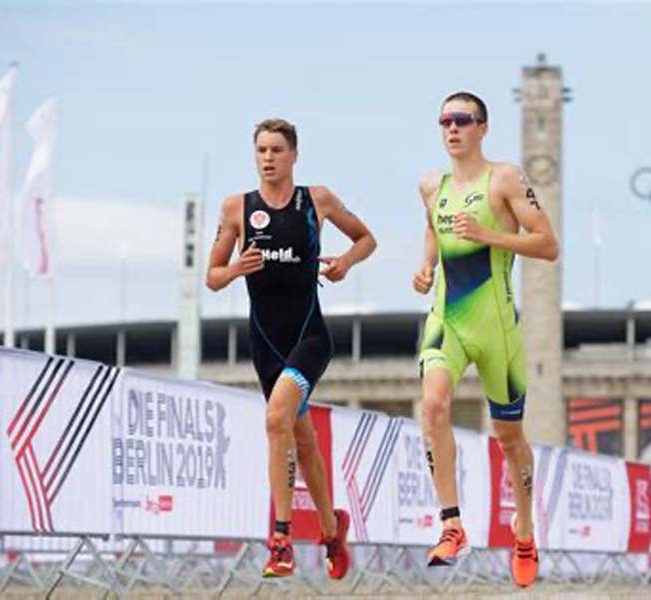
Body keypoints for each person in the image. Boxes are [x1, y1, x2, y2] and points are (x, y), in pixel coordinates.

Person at [206, 118, 376, 579]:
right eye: (261, 150)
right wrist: (237, 267)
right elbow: (213, 277)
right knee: (301, 440)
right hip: (264, 342)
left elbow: (366, 238)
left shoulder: (315, 200)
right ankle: (330, 529)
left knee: (277, 417)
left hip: (309, 337)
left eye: (277, 150)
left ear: (294, 155)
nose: (268, 157)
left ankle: (280, 539)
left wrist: (344, 262)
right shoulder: (236, 209)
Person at [412, 91, 559, 588]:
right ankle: (452, 524)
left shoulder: (507, 178)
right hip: (447, 319)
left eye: (462, 120)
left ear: (483, 127)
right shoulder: (432, 185)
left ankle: (524, 528)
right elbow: (434, 231)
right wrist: (426, 265)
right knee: (432, 405)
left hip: (497, 327)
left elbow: (548, 244)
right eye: (444, 121)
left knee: (508, 437)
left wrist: (490, 234)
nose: (451, 129)